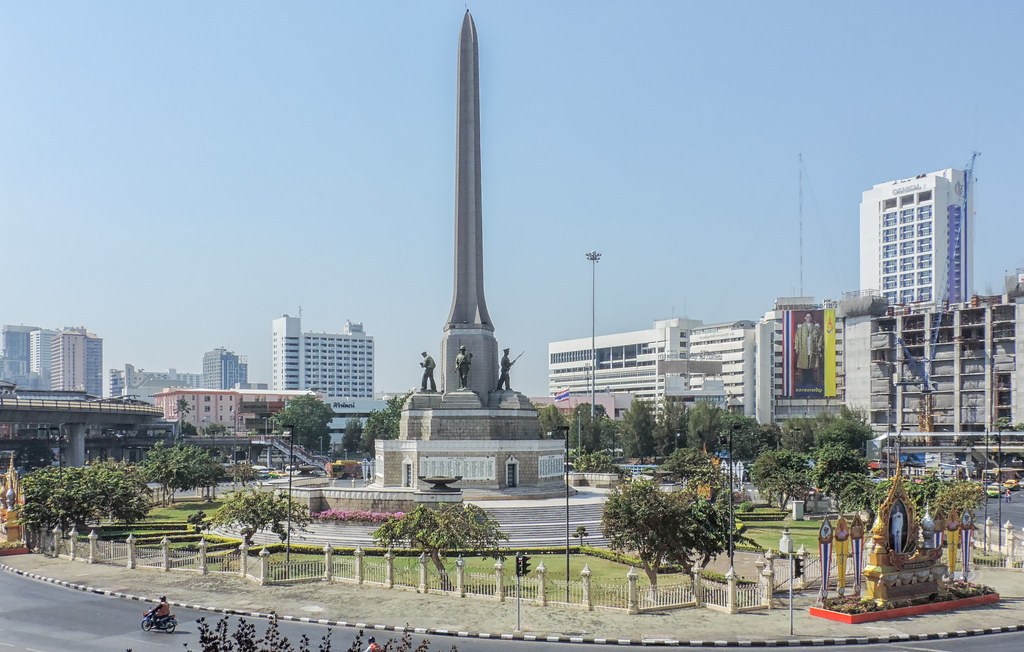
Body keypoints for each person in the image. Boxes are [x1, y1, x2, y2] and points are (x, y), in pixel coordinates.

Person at [794, 312, 823, 388]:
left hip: (812, 349)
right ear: (805, 318)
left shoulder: (815, 328)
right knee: (804, 366)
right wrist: (796, 348)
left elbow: (820, 337)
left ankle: (811, 380)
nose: (808, 318)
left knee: (811, 365)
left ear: (812, 318)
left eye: (810, 317)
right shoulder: (800, 328)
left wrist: (819, 346)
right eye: (807, 317)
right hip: (803, 349)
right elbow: (797, 339)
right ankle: (804, 381)